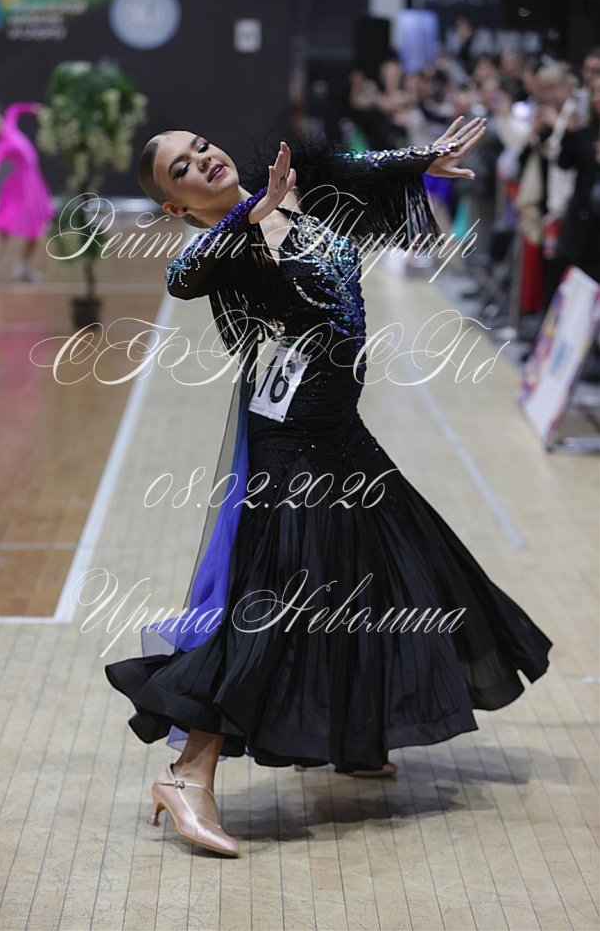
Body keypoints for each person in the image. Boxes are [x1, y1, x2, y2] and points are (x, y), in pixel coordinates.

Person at [104, 120, 553, 858]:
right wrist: (249, 216)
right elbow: (180, 277)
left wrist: (423, 157)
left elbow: (357, 166)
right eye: (181, 168)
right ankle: (187, 774)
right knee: (275, 603)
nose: (203, 160)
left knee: (381, 573)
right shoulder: (224, 244)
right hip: (289, 448)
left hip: (341, 434)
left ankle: (352, 734)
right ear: (176, 206)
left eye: (202, 146)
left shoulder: (300, 191)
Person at [0, 102, 55, 287]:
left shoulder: (9, 123)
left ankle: (23, 267)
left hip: (34, 185)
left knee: (36, 226)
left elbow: (15, 109)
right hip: (19, 186)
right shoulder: (1, 145)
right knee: (4, 227)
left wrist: (35, 108)